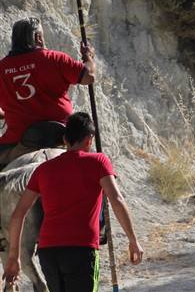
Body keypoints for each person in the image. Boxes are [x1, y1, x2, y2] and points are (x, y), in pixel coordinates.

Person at [3, 112, 143, 290]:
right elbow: (116, 199)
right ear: (89, 139)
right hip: (81, 250)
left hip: (49, 253)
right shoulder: (99, 161)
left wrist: (14, 257)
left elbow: (18, 214)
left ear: (64, 139)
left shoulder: (43, 170)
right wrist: (133, 240)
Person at [0, 18, 96, 165]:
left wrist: (6, 113)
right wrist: (88, 56)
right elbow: (88, 77)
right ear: (38, 38)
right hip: (61, 136)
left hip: (18, 139)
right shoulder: (55, 58)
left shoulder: (2, 69)